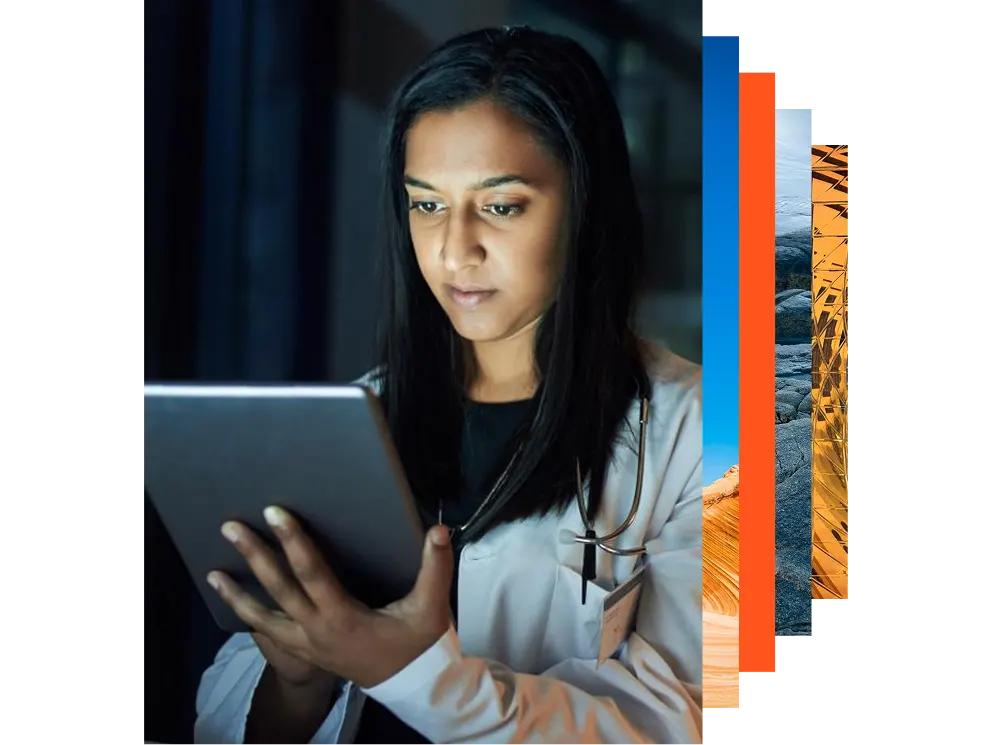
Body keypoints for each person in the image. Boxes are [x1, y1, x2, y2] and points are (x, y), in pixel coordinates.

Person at [194, 26, 702, 745]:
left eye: (501, 205)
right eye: (427, 204)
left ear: (586, 207)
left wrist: (414, 674)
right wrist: (298, 682)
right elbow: (226, 716)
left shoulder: (709, 437)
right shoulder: (355, 419)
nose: (454, 250)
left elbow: (680, 718)